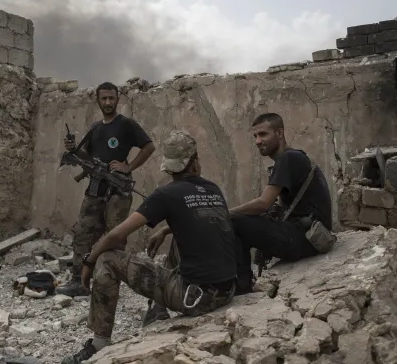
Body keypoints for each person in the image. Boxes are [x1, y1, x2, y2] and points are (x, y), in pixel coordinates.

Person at [61, 130, 237, 364]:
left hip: (195, 299)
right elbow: (197, 221)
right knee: (181, 236)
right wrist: (165, 230)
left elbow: (116, 235)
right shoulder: (213, 189)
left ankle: (98, 344)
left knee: (107, 258)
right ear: (195, 163)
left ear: (169, 167)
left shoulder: (166, 194)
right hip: (227, 291)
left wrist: (89, 260)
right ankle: (158, 311)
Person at [56, 81, 155, 297]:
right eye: (104, 98)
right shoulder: (95, 128)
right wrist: (73, 150)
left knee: (115, 237)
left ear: (117, 99)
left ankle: (110, 285)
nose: (108, 102)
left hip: (118, 191)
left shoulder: (126, 124)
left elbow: (149, 146)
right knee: (83, 233)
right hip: (95, 190)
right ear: (98, 100)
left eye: (111, 98)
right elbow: (88, 157)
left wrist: (128, 166)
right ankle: (79, 281)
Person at [230, 112, 332, 293]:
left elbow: (263, 203)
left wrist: (225, 212)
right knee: (245, 219)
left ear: (279, 133)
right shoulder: (293, 157)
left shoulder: (287, 158)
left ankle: (243, 285)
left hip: (306, 239)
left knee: (234, 221)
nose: (258, 141)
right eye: (255, 136)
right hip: (312, 236)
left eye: (263, 134)